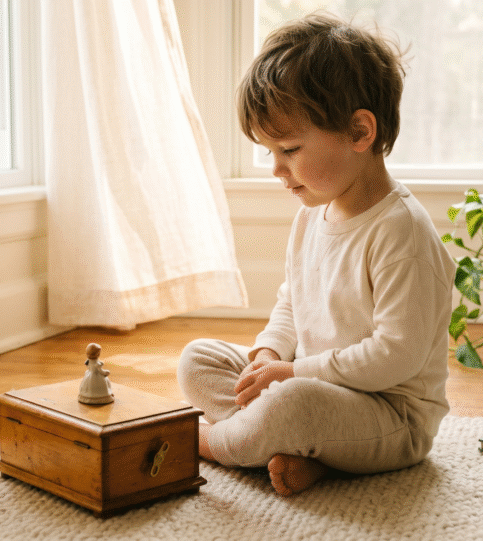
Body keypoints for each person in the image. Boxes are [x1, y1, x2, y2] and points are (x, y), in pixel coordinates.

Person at [177, 12, 456, 497]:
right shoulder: (313, 213)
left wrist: (291, 374)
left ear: (359, 133)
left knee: (293, 404)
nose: (277, 170)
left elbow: (396, 356)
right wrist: (268, 353)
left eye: (288, 148)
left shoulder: (402, 233)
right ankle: (304, 452)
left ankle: (214, 443)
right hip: (313, 386)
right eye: (270, 153)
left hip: (390, 417)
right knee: (196, 359)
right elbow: (292, 300)